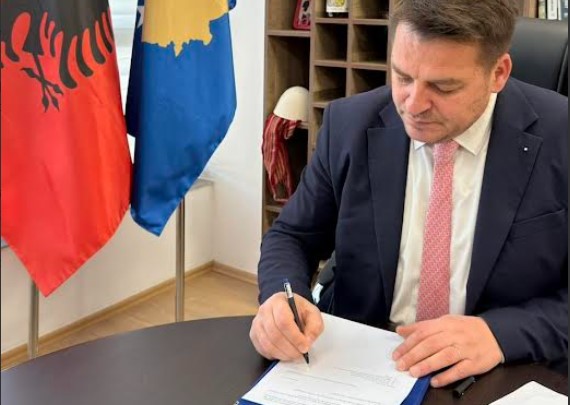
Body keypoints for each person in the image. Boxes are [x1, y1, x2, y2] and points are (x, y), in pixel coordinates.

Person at [250, 0, 568, 388]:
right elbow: (292, 236)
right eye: (402, 77)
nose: (413, 105)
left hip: (500, 369)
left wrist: (500, 334)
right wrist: (280, 298)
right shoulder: (349, 125)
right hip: (362, 360)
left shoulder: (560, 136)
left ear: (498, 73)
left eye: (443, 86)